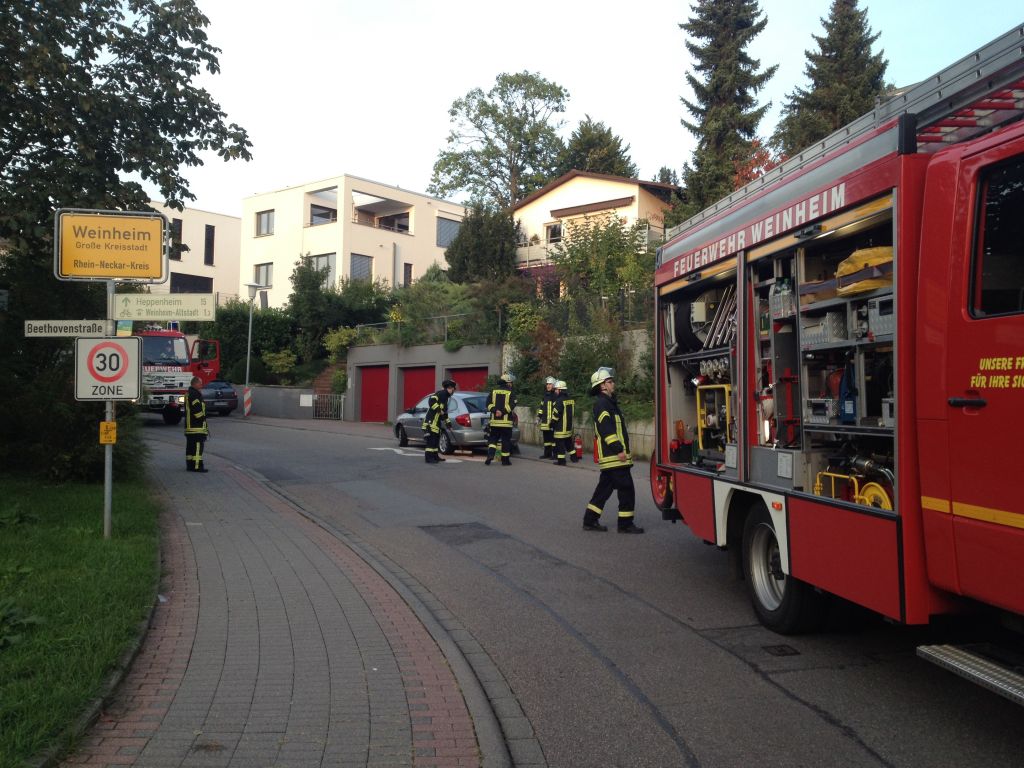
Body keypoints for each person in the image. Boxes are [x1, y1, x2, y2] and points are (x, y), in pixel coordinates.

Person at [583, 367, 643, 533]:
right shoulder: (603, 404)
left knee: (604, 489)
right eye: (610, 381)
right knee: (626, 489)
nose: (613, 384)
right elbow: (606, 430)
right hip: (614, 456)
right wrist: (619, 450)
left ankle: (589, 520)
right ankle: (625, 524)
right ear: (602, 386)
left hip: (613, 457)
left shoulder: (609, 403)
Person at [485, 372, 517, 466]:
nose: (511, 384)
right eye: (510, 382)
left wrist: (495, 411)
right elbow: (512, 405)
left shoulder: (493, 391)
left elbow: (488, 404)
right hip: (506, 423)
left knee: (493, 439)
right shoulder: (511, 392)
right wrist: (502, 412)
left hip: (494, 422)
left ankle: (490, 455)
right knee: (505, 441)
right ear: (507, 383)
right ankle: (505, 460)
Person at [423, 379, 457, 464]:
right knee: (431, 442)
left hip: (436, 423)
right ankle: (429, 458)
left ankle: (435, 456)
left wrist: (449, 425)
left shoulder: (446, 398)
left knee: (435, 441)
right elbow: (431, 401)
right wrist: (438, 409)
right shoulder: (441, 393)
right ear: (449, 388)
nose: (453, 391)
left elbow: (445, 414)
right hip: (430, 422)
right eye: (453, 389)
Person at [184, 376, 209, 472]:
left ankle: (190, 466)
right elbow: (197, 410)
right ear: (195, 384)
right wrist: (203, 418)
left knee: (190, 449)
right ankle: (197, 466)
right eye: (200, 383)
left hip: (190, 427)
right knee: (198, 448)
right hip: (196, 427)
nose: (201, 385)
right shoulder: (195, 395)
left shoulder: (189, 394)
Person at [550, 380, 574, 466]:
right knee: (569, 443)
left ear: (560, 390)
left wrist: (552, 422)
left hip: (560, 427)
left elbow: (556, 413)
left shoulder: (559, 400)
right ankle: (574, 457)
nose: (555, 391)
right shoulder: (570, 399)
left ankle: (561, 461)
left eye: (556, 389)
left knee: (560, 444)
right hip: (569, 426)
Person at [536, 376, 556, 458]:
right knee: (546, 439)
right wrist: (538, 417)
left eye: (550, 384)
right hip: (545, 422)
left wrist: (554, 420)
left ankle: (554, 455)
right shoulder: (545, 395)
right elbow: (541, 408)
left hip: (552, 422)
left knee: (553, 440)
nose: (548, 386)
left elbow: (557, 409)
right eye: (547, 384)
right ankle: (547, 454)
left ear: (554, 385)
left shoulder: (555, 396)